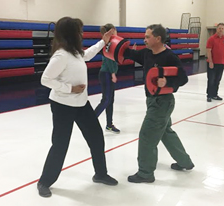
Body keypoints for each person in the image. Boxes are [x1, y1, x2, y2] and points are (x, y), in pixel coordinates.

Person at [38, 17, 118, 198]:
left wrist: (102, 42)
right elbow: (45, 79)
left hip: (82, 104)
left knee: (96, 138)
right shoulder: (61, 55)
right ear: (71, 34)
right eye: (79, 31)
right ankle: (44, 181)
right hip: (62, 106)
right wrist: (69, 88)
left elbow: (87, 54)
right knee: (60, 144)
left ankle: (100, 174)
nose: (81, 34)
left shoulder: (75, 52)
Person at [122, 24, 194, 183]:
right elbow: (130, 53)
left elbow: (183, 78)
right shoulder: (147, 53)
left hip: (162, 102)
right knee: (165, 132)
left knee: (147, 135)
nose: (144, 39)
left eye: (148, 37)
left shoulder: (169, 57)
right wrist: (110, 41)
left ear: (158, 38)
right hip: (152, 101)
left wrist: (167, 81)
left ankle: (145, 173)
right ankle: (185, 162)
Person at [94, 24, 120, 134]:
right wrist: (113, 73)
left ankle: (109, 124)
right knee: (106, 100)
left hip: (108, 73)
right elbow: (109, 60)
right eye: (115, 31)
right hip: (106, 73)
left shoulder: (112, 43)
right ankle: (91, 120)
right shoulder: (107, 44)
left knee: (110, 100)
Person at [206, 23, 224, 102]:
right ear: (217, 29)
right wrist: (210, 61)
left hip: (221, 63)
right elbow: (208, 51)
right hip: (213, 63)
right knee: (211, 79)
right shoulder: (211, 39)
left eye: (222, 28)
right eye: (219, 28)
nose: (221, 30)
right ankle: (209, 95)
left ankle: (215, 94)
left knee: (217, 79)